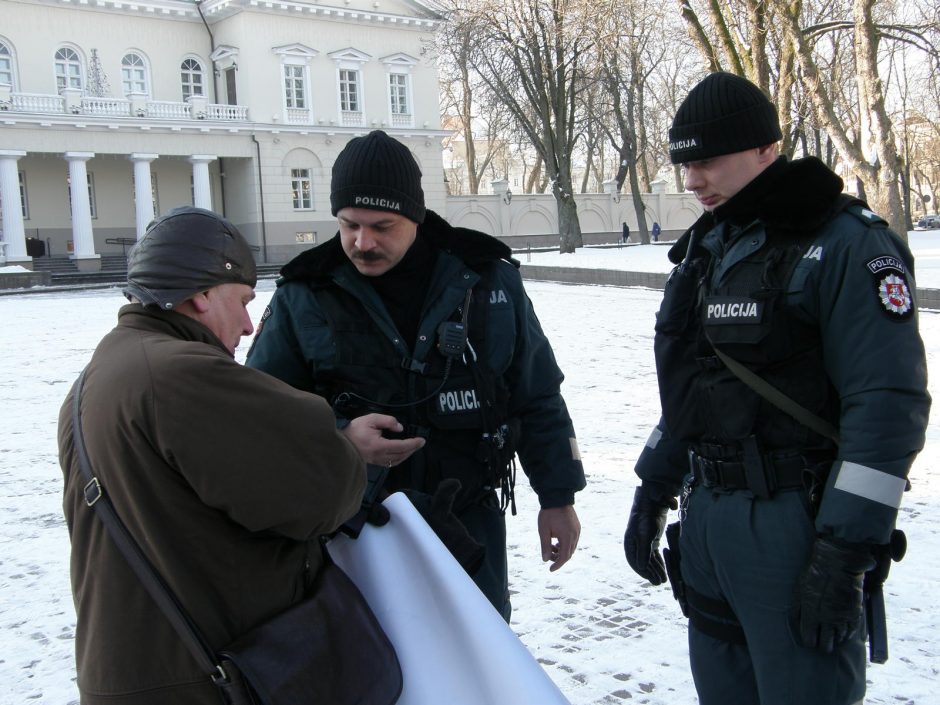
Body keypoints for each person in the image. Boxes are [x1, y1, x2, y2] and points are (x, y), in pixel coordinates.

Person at [623, 73, 930, 705]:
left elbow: (887, 406)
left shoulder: (846, 244)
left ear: (766, 149)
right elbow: (695, 389)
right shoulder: (713, 247)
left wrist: (846, 548)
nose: (691, 180)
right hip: (707, 514)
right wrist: (654, 486)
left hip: (795, 522)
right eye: (684, 163)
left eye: (706, 160)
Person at [58, 206, 422, 704]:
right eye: (244, 300)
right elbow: (317, 498)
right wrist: (346, 452)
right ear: (204, 294)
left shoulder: (101, 375)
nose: (250, 325)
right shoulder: (185, 376)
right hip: (201, 678)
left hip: (135, 671)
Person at [246, 130, 586, 621]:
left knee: (477, 669)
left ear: (416, 216)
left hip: (468, 521)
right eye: (349, 225)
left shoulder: (485, 278)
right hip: (351, 530)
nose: (362, 243)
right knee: (370, 678)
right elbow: (258, 415)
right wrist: (338, 439)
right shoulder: (306, 292)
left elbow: (536, 393)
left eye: (382, 226)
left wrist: (557, 495)